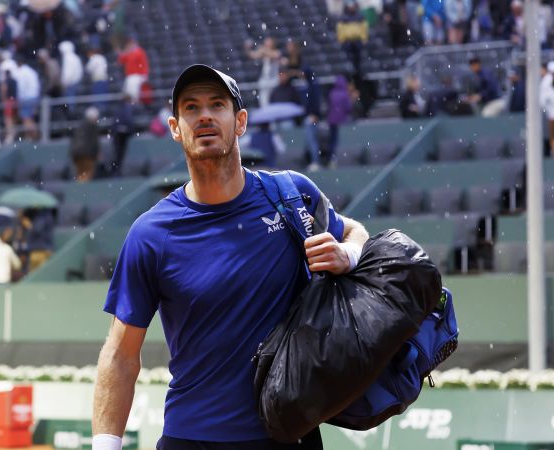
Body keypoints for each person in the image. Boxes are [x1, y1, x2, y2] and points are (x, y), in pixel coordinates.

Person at [92, 64, 368, 450]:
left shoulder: (290, 195)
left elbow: (356, 231)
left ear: (240, 121)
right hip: (192, 438)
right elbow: (120, 356)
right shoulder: (150, 234)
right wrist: (106, 445)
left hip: (289, 434)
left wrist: (348, 254)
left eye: (216, 104)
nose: (204, 115)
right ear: (175, 128)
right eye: (191, 107)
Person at [245, 37, 281, 107]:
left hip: (274, 80)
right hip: (264, 80)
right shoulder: (263, 52)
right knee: (263, 101)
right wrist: (247, 48)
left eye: (268, 42)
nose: (266, 43)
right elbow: (252, 55)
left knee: (275, 99)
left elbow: (273, 55)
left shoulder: (276, 52)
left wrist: (262, 49)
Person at [70, 107, 101, 182]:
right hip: (87, 154)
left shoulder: (80, 126)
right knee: (87, 173)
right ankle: (82, 191)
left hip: (76, 153)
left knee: (80, 174)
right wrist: (97, 153)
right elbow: (94, 141)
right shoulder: (92, 126)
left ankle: (79, 188)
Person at [327, 75, 352, 167]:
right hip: (341, 121)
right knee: (338, 140)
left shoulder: (332, 93)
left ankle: (331, 158)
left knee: (332, 140)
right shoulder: (344, 94)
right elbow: (348, 108)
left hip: (331, 120)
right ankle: (337, 159)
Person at [117, 36, 149, 103]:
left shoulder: (138, 51)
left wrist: (126, 51)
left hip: (138, 75)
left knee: (133, 95)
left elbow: (132, 58)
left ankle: (135, 105)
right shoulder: (129, 52)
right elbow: (120, 61)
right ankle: (131, 105)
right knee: (126, 93)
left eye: (130, 43)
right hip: (130, 76)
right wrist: (122, 52)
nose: (129, 45)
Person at [15, 56, 41, 141]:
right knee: (29, 118)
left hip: (26, 98)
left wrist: (19, 99)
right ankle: (30, 137)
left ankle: (35, 137)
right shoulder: (31, 71)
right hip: (34, 96)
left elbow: (21, 87)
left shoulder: (21, 72)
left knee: (26, 118)